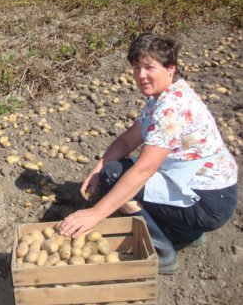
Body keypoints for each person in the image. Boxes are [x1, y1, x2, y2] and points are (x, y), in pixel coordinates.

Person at [59, 33, 238, 274]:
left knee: (117, 178)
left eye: (149, 67)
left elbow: (144, 170)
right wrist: (96, 170)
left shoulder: (170, 109)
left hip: (209, 202)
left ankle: (161, 251)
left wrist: (95, 213)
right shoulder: (163, 97)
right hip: (209, 192)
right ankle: (186, 232)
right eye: (136, 67)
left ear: (170, 69)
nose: (141, 75)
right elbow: (126, 140)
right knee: (112, 171)